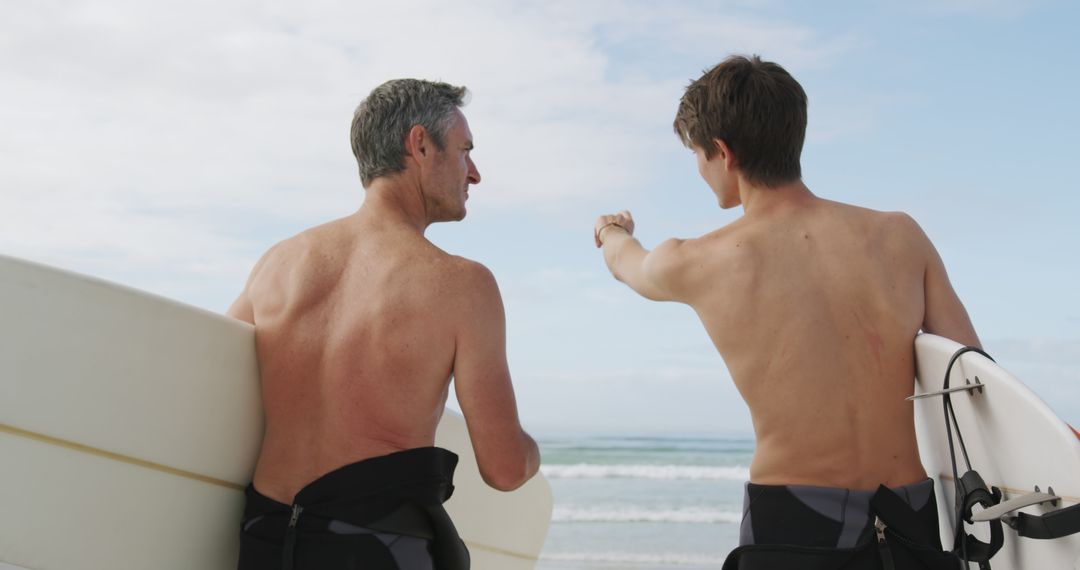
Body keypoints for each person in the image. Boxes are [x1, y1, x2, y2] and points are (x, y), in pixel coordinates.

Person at [593, 55, 980, 569]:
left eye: (697, 155)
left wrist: (611, 232)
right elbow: (973, 374)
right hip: (909, 521)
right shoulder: (900, 236)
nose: (699, 169)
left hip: (793, 526)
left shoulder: (700, 260)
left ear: (723, 153)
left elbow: (627, 265)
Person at [227, 79, 540, 570]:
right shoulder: (462, 285)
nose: (474, 173)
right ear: (419, 145)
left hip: (265, 541)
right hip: (377, 549)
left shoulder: (279, 263)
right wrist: (533, 453)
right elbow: (504, 469)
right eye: (464, 151)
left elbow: (214, 381)